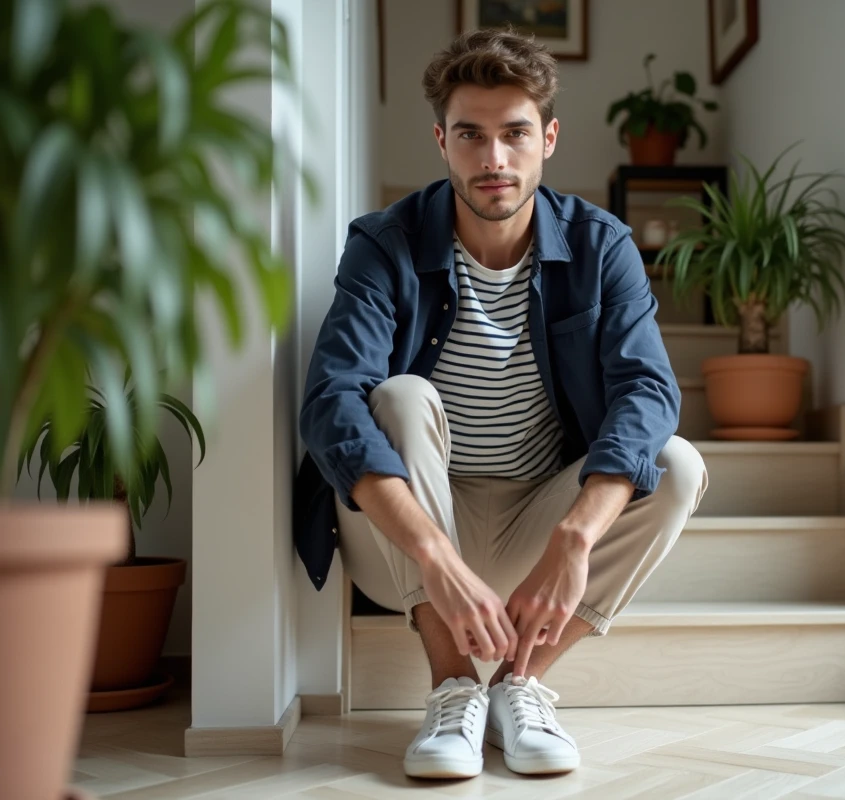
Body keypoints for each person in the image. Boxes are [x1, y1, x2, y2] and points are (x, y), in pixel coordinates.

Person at [298, 26, 708, 781]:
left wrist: (576, 538)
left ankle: (519, 685)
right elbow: (330, 401)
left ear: (547, 138)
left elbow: (647, 391)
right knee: (398, 395)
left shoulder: (600, 245)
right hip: (402, 536)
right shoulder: (385, 243)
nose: (494, 160)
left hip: (535, 521)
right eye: (471, 136)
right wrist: (431, 552)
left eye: (515, 134)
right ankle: (453, 689)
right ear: (441, 141)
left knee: (676, 463)